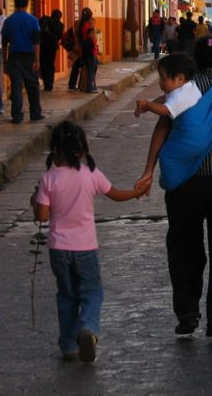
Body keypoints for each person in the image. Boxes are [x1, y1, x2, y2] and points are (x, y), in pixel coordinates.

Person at [137, 36, 212, 340]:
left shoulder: (180, 94)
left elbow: (161, 130)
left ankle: (188, 312)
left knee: (183, 246)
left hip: (184, 184)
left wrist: (149, 170)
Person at [31, 121, 151, 362]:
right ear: (82, 151)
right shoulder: (90, 174)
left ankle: (68, 346)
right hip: (85, 248)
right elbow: (115, 194)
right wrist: (137, 193)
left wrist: (35, 199)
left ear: (55, 151)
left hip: (59, 249)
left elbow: (42, 216)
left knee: (66, 295)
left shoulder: (48, 178)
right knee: (91, 292)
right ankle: (87, 327)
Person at [2, 0, 43, 124]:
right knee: (33, 86)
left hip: (14, 58)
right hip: (29, 57)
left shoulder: (8, 21)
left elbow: (4, 43)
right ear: (27, 4)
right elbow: (36, 42)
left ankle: (17, 115)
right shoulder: (33, 20)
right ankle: (35, 113)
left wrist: (5, 61)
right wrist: (37, 60)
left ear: (15, 4)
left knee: (16, 87)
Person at [134, 53, 200, 120]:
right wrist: (148, 105)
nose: (160, 82)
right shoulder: (189, 85)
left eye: (163, 78)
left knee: (164, 119)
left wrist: (148, 105)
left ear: (180, 78)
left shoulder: (181, 96)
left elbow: (164, 110)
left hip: (186, 128)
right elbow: (164, 98)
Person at [68, 8, 93, 91]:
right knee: (86, 67)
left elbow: (75, 35)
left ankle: (72, 84)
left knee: (76, 66)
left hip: (79, 47)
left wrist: (76, 45)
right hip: (86, 48)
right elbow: (91, 37)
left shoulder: (77, 23)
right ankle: (83, 85)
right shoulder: (88, 24)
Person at [39, 9, 64, 91]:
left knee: (43, 63)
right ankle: (49, 84)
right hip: (52, 47)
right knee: (50, 64)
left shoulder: (45, 20)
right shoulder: (60, 25)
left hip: (43, 45)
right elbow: (59, 38)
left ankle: (45, 81)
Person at [80, 26, 99, 93]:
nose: (93, 34)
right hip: (90, 59)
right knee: (91, 74)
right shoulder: (88, 41)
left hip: (92, 58)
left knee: (92, 74)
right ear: (88, 34)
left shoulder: (91, 41)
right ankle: (90, 88)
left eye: (94, 33)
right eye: (92, 33)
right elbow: (89, 52)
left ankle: (92, 87)